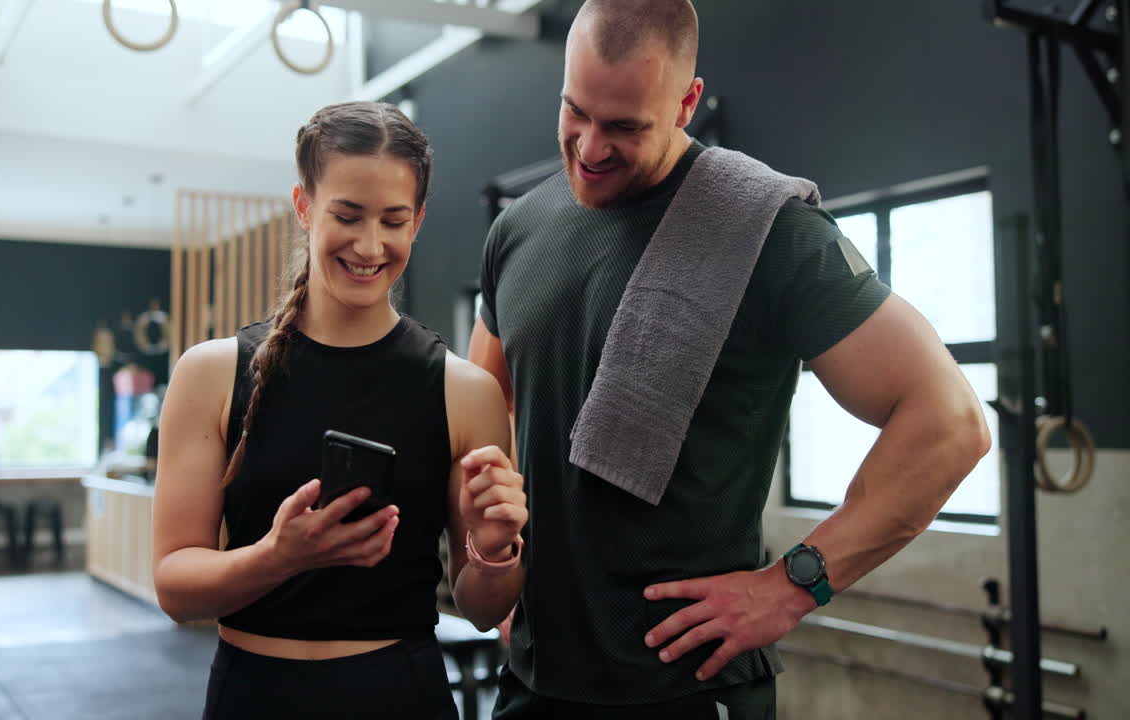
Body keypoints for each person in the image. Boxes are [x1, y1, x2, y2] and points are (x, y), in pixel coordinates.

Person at [469, 2, 991, 718]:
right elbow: (482, 412)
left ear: (686, 102)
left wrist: (791, 584)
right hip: (534, 680)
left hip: (687, 688)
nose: (589, 148)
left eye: (624, 126)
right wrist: (492, 566)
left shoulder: (771, 232)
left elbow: (952, 423)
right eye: (575, 112)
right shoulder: (518, 229)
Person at [152, 101, 528, 719]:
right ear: (304, 207)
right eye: (347, 216)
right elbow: (174, 585)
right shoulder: (211, 374)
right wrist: (279, 557)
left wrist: (495, 549)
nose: (370, 244)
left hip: (398, 695)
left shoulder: (465, 392)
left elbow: (485, 610)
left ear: (419, 221)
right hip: (253, 694)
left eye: (393, 220)